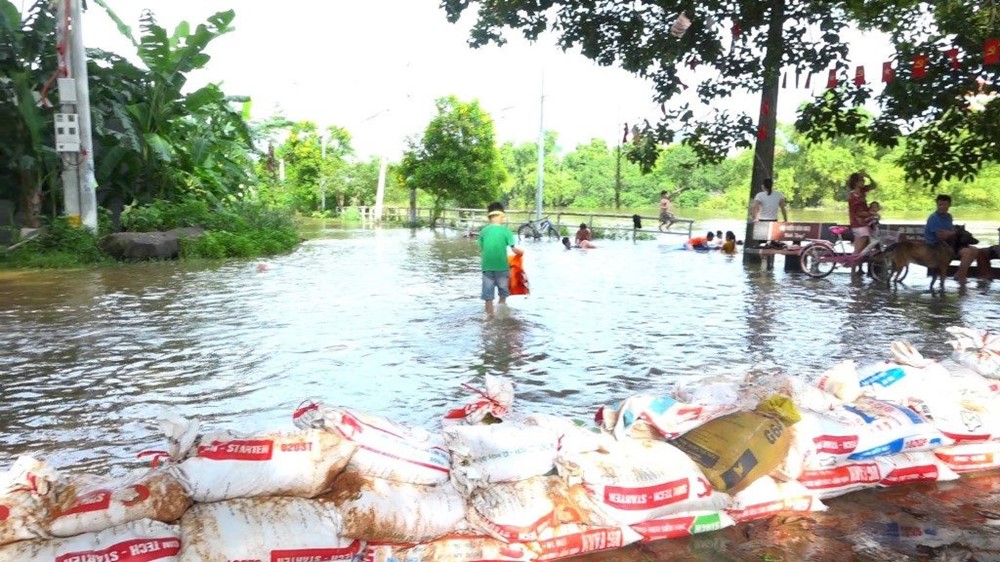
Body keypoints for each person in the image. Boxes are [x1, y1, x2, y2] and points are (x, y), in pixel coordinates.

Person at [478, 202, 523, 316]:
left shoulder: (483, 231)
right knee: (503, 293)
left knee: (488, 296)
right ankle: (501, 315)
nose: (504, 218)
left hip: (487, 268)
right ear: (499, 215)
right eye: (503, 216)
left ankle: (489, 318)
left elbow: (482, 249)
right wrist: (521, 253)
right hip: (502, 268)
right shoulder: (506, 231)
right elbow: (514, 250)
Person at [924, 194, 979, 283]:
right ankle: (962, 278)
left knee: (975, 250)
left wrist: (949, 233)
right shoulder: (934, 218)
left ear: (949, 205)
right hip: (936, 246)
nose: (942, 207)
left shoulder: (949, 216)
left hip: (949, 244)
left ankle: (958, 274)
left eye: (945, 205)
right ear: (937, 205)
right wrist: (953, 232)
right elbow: (941, 236)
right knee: (968, 252)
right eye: (940, 205)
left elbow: (948, 232)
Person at [846, 171, 877, 275]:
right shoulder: (852, 197)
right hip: (858, 224)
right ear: (856, 182)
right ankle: (853, 271)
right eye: (861, 180)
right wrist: (870, 214)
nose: (863, 182)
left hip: (865, 223)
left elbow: (874, 185)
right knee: (859, 248)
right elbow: (858, 212)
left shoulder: (862, 191)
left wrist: (869, 176)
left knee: (864, 247)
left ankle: (857, 270)